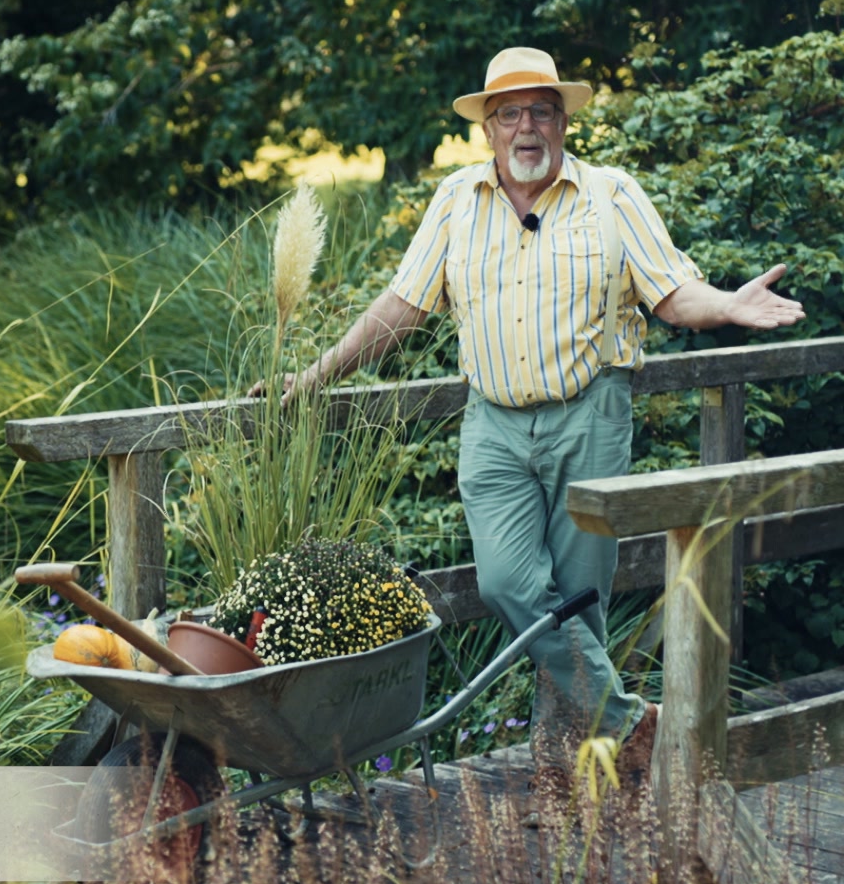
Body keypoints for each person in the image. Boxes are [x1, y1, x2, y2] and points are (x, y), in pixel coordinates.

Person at [270, 47, 804, 810]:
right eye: (511, 114)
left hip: (590, 417)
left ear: (563, 121)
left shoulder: (611, 194)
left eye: (542, 111)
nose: (528, 127)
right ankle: (635, 727)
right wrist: (313, 375)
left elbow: (671, 292)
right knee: (510, 585)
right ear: (488, 129)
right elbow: (400, 308)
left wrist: (726, 305)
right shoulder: (456, 201)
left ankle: (575, 784)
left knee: (578, 603)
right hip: (492, 425)